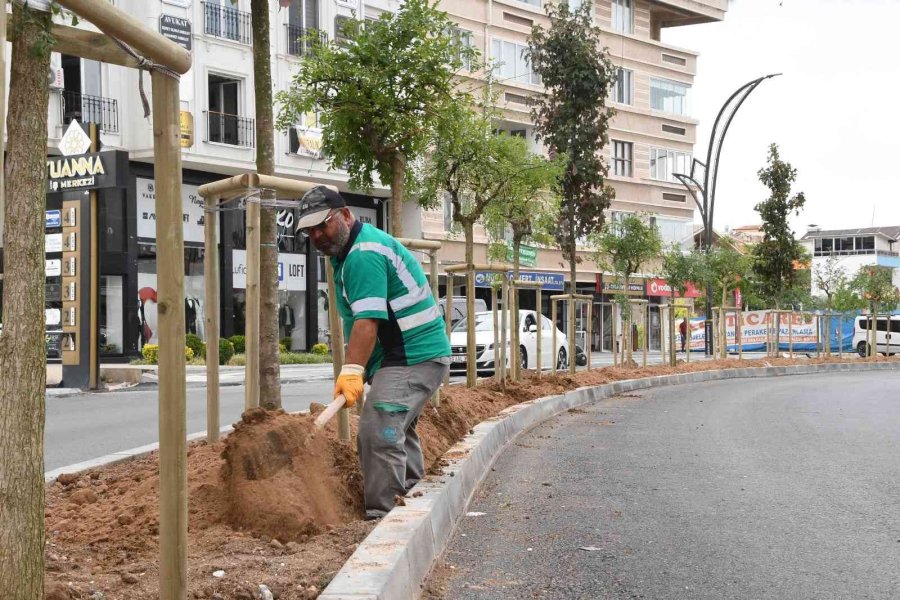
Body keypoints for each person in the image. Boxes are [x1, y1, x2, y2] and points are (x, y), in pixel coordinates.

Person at [296, 186, 451, 520]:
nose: (318, 235)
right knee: (395, 429)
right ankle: (413, 503)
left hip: (414, 355)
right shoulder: (348, 254)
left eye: (323, 225)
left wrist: (352, 370)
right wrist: (365, 367)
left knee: (378, 430)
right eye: (310, 231)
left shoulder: (363, 254)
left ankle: (386, 519)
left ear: (346, 215)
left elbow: (367, 321)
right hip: (408, 355)